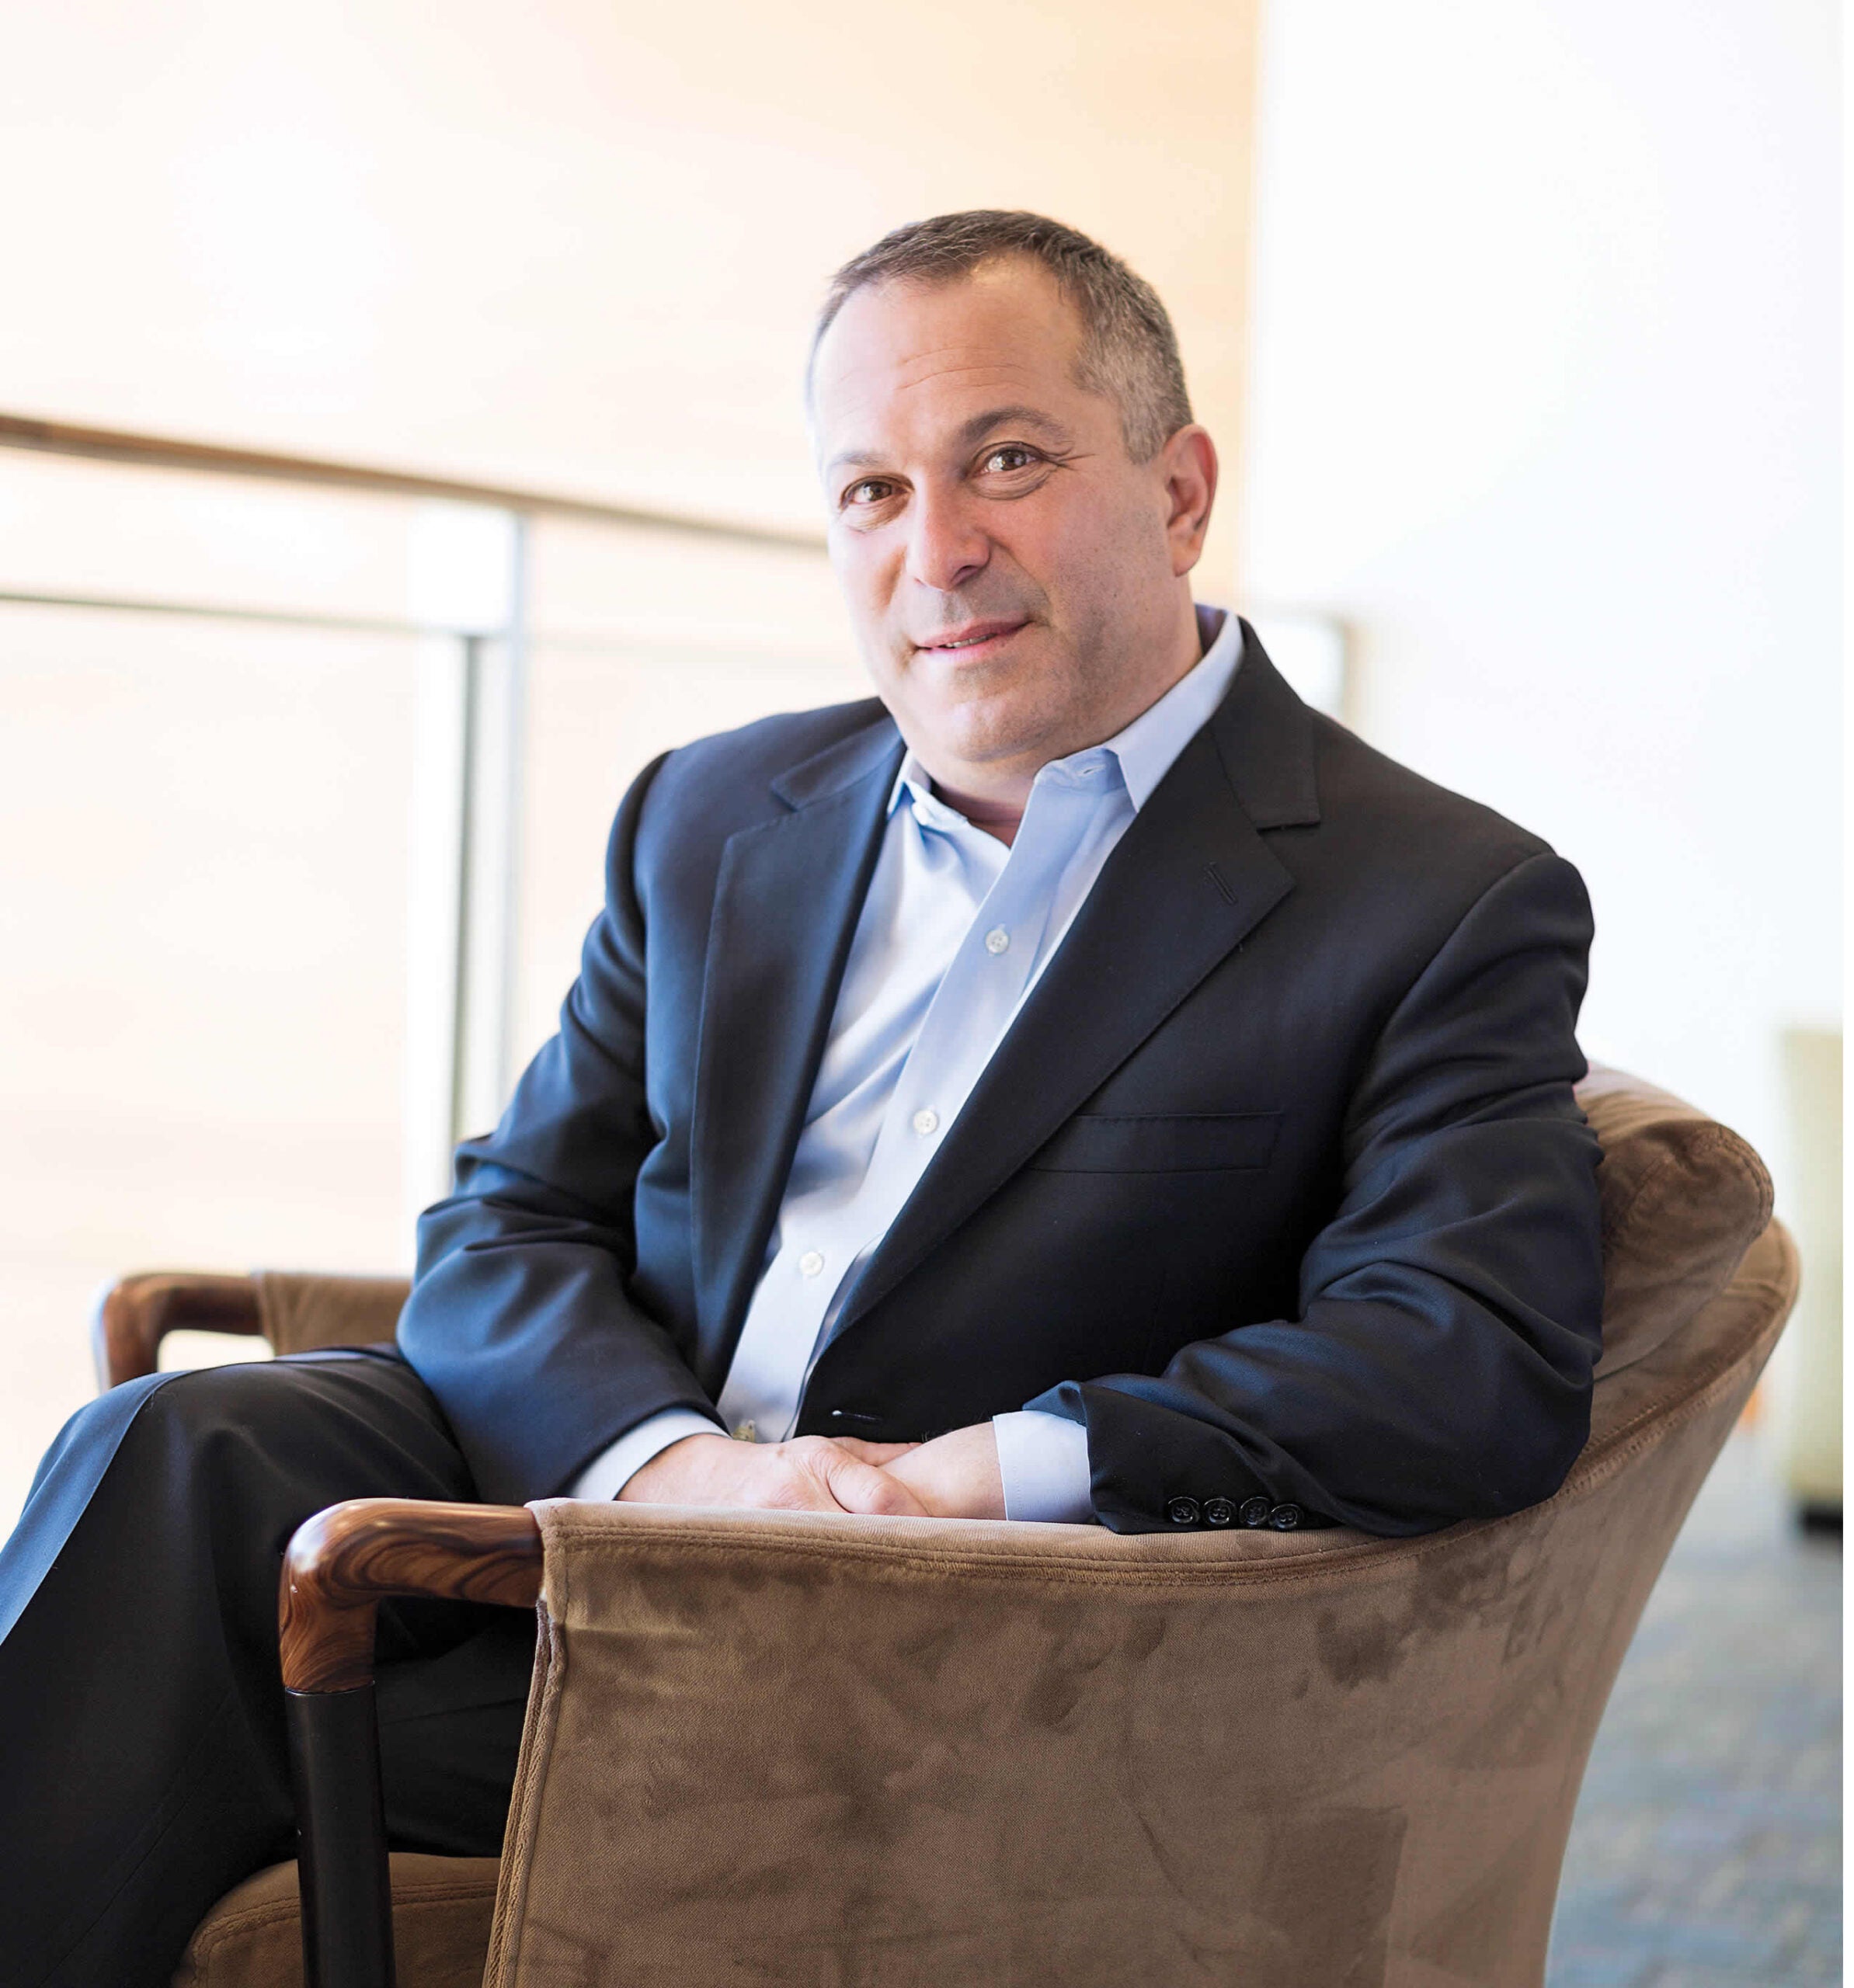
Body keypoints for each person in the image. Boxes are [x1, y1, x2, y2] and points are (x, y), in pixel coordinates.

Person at [0, 210, 1603, 1987]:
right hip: (590, 1521)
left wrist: (946, 1488)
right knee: (177, 1446)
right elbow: (506, 1214)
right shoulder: (714, 812)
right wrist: (673, 1469)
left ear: (1177, 488)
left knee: (145, 1727)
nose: (939, 550)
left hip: (958, 1649)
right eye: (871, 490)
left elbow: (1463, 1356)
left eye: (1005, 457)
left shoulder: (1435, 894)